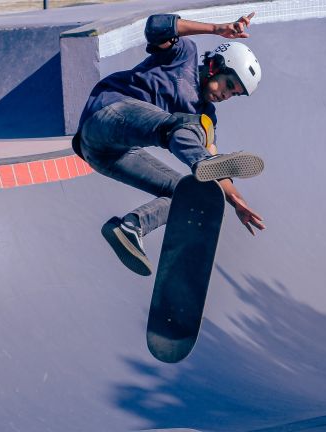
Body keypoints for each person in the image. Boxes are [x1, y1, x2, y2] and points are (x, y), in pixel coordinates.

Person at [72, 12, 266, 276]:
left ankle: (131, 227)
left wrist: (236, 201)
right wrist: (216, 28)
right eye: (229, 84)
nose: (226, 94)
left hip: (104, 154)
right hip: (106, 115)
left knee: (192, 193)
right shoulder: (183, 55)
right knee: (190, 128)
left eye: (234, 94)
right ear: (215, 66)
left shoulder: (206, 115)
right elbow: (156, 25)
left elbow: (213, 159)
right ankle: (199, 163)